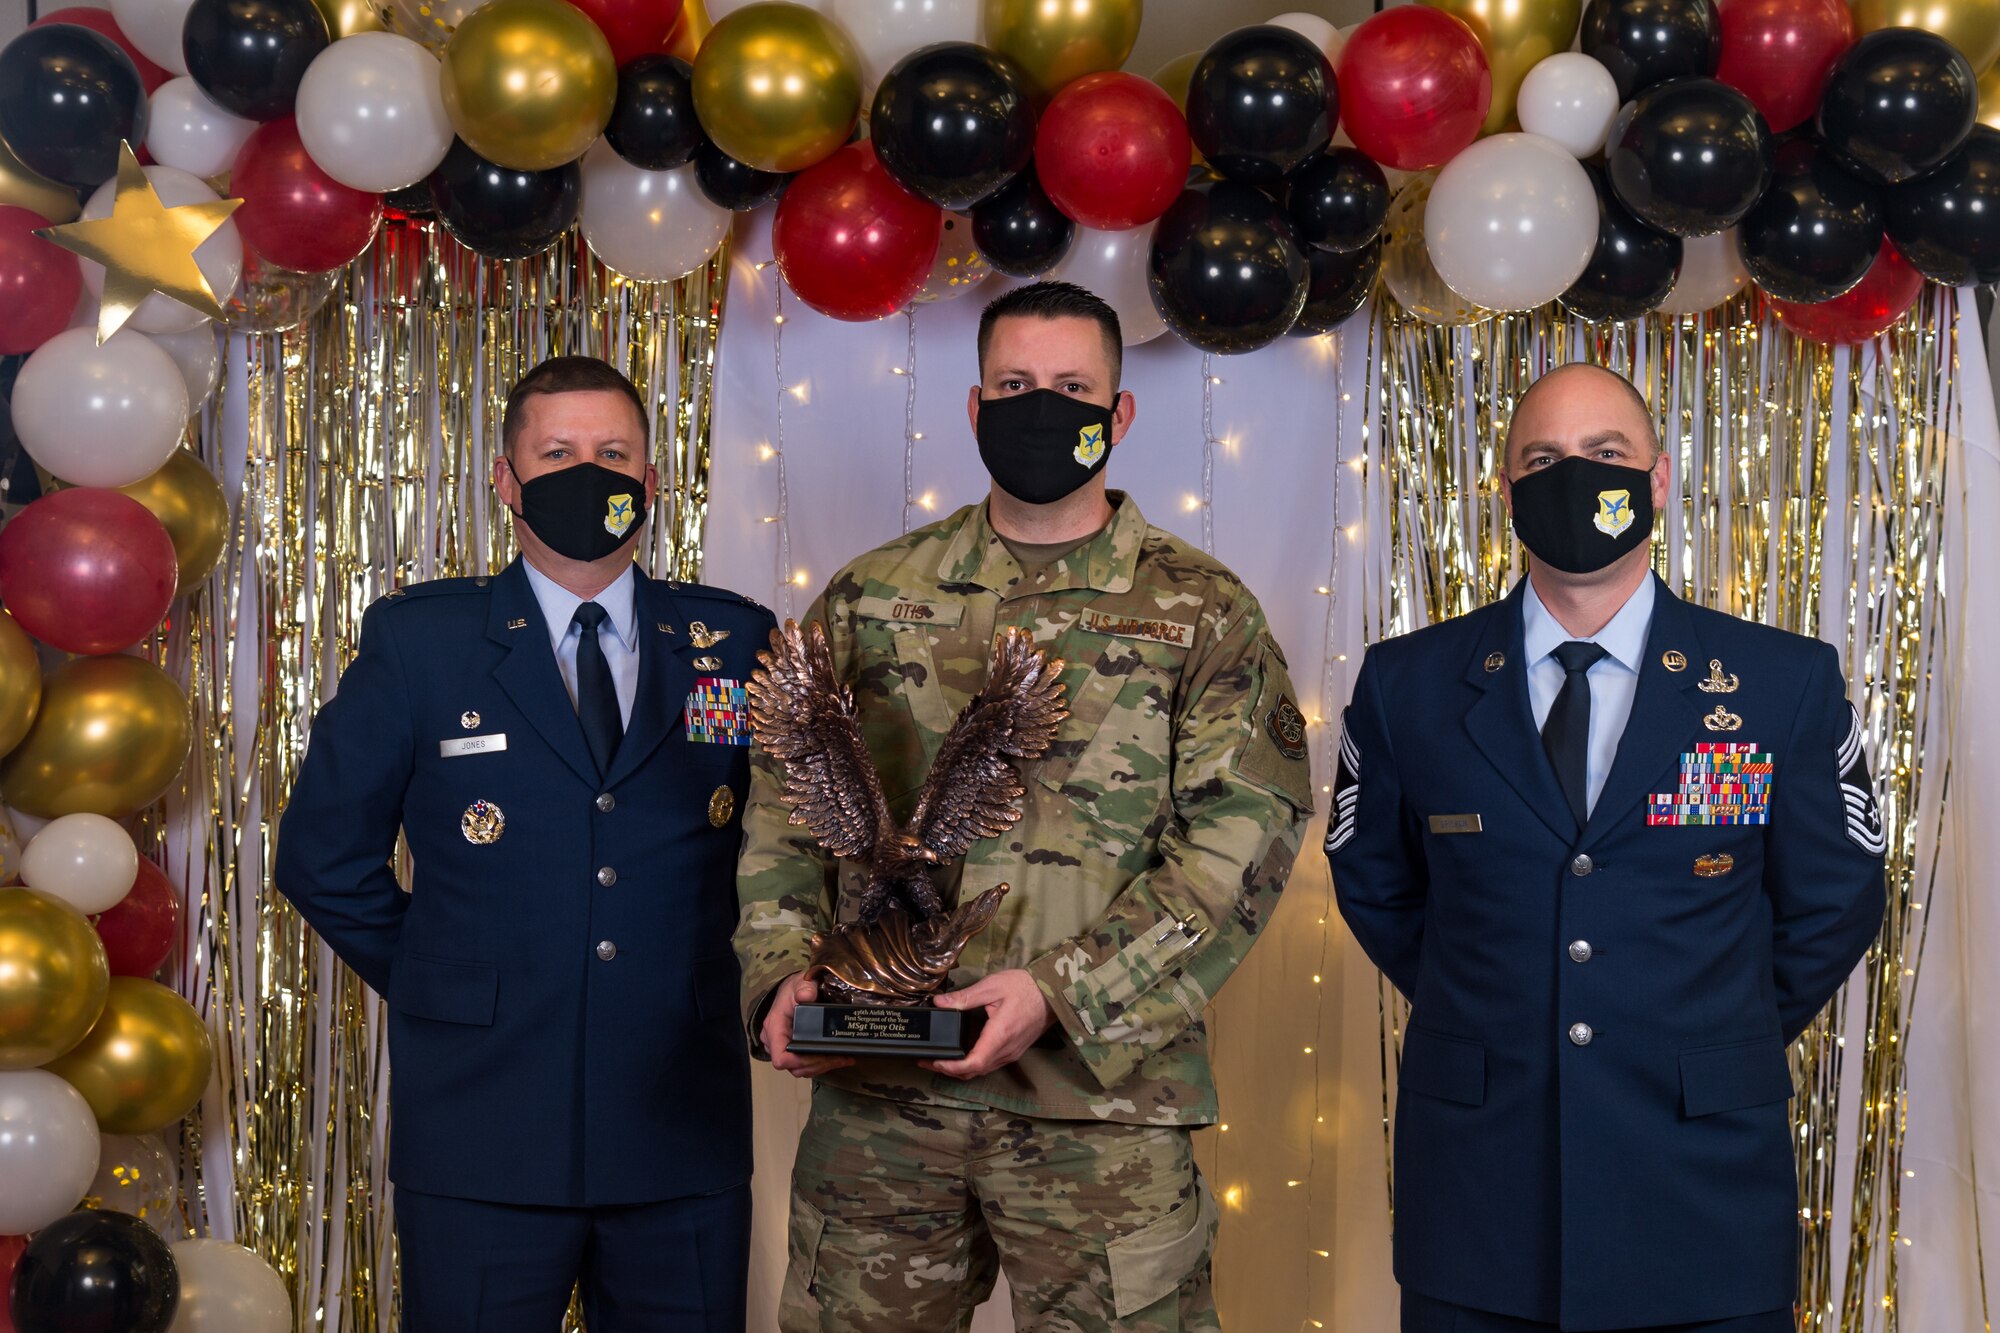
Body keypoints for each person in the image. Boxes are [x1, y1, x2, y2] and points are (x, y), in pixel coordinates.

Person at [735, 280, 1315, 1332]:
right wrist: (779, 977)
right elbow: (782, 807)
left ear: (1119, 412)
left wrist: (1060, 991)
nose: (1039, 409)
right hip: (881, 1105)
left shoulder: (1202, 610)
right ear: (971, 407)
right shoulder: (870, 594)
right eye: (1012, 385)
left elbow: (1242, 837)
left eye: (1069, 387)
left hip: (1101, 1108)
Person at [1326, 362, 1887, 1332]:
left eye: (1604, 455)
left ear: (1658, 480)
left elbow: (1833, 898)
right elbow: (1376, 884)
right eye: (1542, 458)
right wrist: (1508, 997)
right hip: (1478, 1194)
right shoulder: (1405, 684)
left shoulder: (1775, 681)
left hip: (1699, 1187)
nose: (1573, 477)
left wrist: (1707, 1018)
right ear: (1504, 490)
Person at [275, 356, 773, 1331]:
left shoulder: (735, 643)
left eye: (613, 453)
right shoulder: (426, 643)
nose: (589, 474)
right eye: (557, 453)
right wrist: (442, 979)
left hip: (680, 1117)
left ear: (651, 482)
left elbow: (797, 843)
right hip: (482, 1127)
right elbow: (321, 858)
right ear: (505, 480)